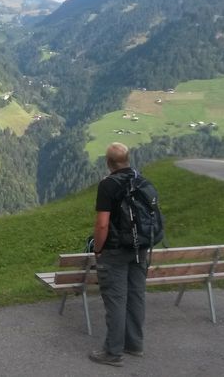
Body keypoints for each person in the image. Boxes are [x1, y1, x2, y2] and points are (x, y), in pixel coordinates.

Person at [89, 142, 148, 367]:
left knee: (116, 300)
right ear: (127, 159)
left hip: (115, 250)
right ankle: (134, 344)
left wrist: (98, 249)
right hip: (140, 248)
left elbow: (102, 224)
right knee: (135, 296)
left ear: (108, 162)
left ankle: (113, 352)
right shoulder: (141, 180)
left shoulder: (108, 185)